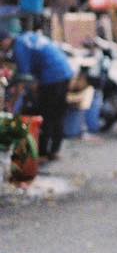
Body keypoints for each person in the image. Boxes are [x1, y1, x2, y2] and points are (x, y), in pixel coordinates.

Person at [0, 24, 73, 159]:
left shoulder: (20, 47)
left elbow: (23, 80)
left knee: (46, 113)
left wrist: (12, 103)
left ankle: (43, 153)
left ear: (6, 40)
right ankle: (54, 150)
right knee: (57, 113)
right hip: (64, 71)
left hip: (52, 76)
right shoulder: (25, 38)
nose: (2, 48)